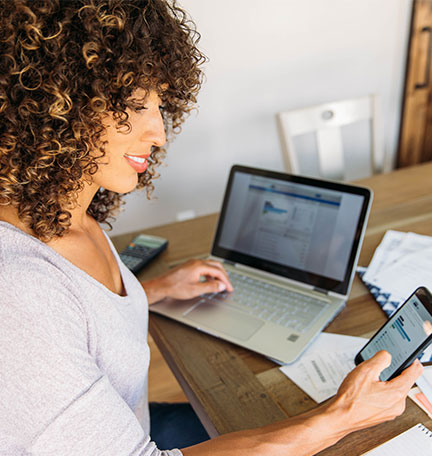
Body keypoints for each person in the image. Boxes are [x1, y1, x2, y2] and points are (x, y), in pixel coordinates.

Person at [0, 1, 423, 455]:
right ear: (52, 106)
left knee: (277, 413)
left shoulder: (65, 214)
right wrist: (341, 417)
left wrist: (153, 289)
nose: (159, 134)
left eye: (160, 106)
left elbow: (83, 322)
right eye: (135, 105)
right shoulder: (19, 293)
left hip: (125, 420)